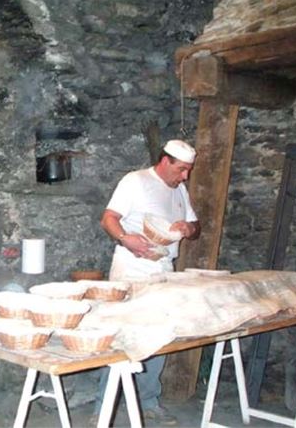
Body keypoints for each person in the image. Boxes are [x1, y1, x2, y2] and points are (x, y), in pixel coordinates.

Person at [93, 139, 201, 425]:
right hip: (132, 268)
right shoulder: (136, 181)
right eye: (181, 169)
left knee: (159, 336)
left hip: (163, 268)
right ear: (165, 161)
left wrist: (187, 228)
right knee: (123, 336)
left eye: (188, 170)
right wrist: (125, 239)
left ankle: (148, 401)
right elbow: (108, 219)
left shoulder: (179, 189)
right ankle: (102, 408)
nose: (185, 176)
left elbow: (195, 225)